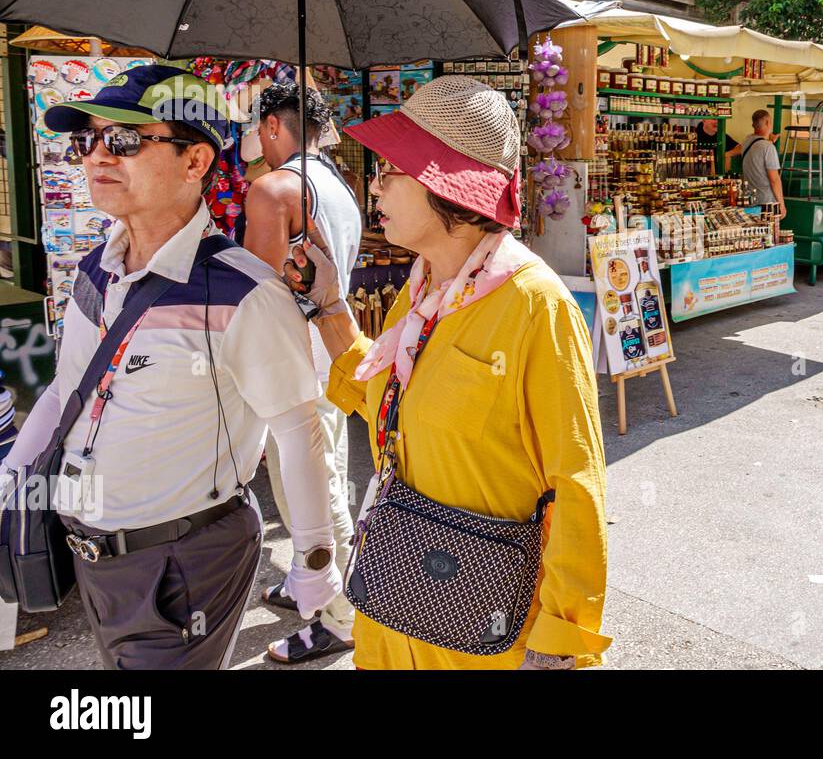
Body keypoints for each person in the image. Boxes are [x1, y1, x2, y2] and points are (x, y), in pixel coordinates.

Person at [0, 66, 340, 669]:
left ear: (196, 162)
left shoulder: (245, 293)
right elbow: (65, 390)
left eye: (125, 141)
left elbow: (297, 429)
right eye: (87, 142)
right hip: (93, 559)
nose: (97, 157)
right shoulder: (92, 271)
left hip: (184, 565)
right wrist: (13, 484)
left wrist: (314, 560)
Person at [287, 75, 611, 670]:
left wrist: (559, 645)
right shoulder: (422, 291)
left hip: (483, 632)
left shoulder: (536, 306)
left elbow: (576, 481)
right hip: (395, 599)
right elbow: (386, 401)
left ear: (445, 185)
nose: (374, 186)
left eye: (390, 171)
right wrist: (329, 304)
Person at [240, 83, 362, 664]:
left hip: (288, 368)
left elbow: (252, 295)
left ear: (271, 127)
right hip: (330, 356)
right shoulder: (339, 185)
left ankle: (341, 618)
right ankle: (308, 582)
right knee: (326, 474)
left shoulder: (272, 189)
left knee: (310, 491)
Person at [739, 109, 786, 219]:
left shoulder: (746, 142)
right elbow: (774, 179)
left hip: (750, 201)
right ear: (768, 123)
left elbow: (758, 150)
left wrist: (770, 141)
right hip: (767, 204)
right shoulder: (768, 148)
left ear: (753, 125)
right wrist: (782, 204)